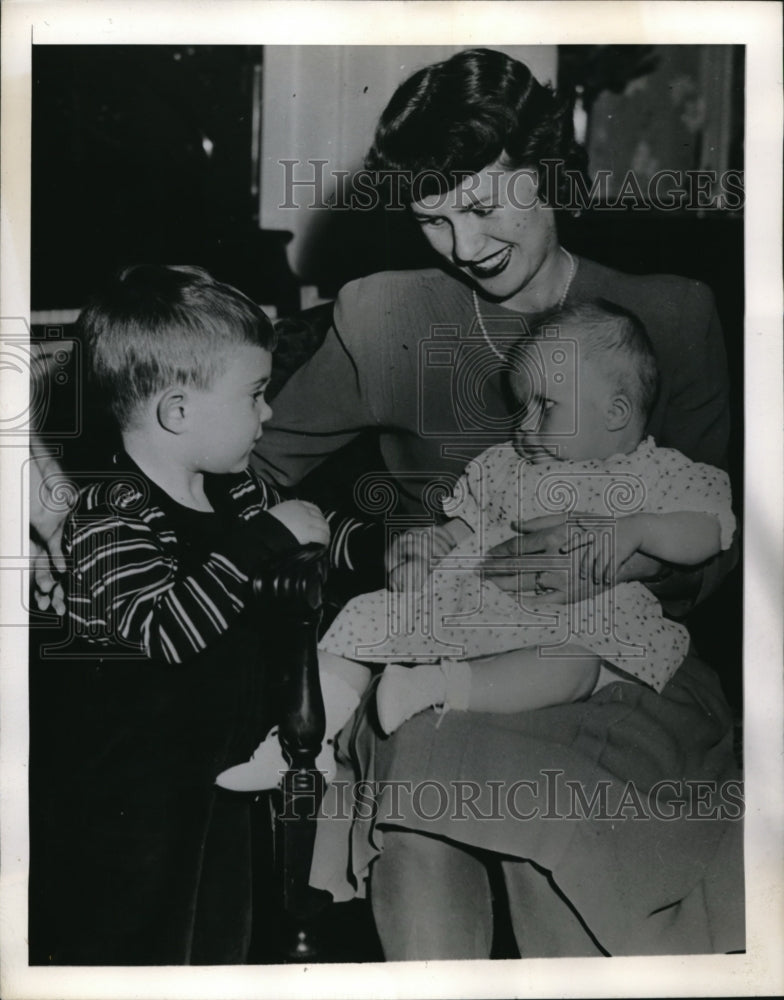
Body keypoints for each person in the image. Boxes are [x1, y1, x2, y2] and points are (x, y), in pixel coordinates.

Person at [254, 49, 743, 958]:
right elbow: (246, 462)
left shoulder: (669, 316)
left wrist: (622, 551)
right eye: (433, 221)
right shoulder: (383, 316)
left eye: (482, 209)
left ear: (549, 174)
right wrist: (382, 546)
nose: (464, 247)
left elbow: (723, 549)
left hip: (624, 663)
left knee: (544, 830)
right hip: (445, 650)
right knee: (426, 792)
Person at [30, 264, 339, 964]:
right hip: (129, 798)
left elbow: (277, 582)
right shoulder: (111, 516)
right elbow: (171, 633)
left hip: (216, 778)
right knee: (141, 948)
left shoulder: (231, 494)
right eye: (256, 395)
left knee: (218, 938)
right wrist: (268, 541)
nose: (268, 415)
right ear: (177, 411)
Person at [319, 301, 735, 735]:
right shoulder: (506, 465)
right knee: (366, 612)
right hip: (475, 607)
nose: (524, 426)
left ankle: (433, 686)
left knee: (571, 665)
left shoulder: (655, 472)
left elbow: (709, 530)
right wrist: (430, 552)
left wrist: (640, 529)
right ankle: (308, 735)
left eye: (546, 406)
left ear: (615, 413)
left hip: (571, 628)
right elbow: (465, 527)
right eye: (521, 408)